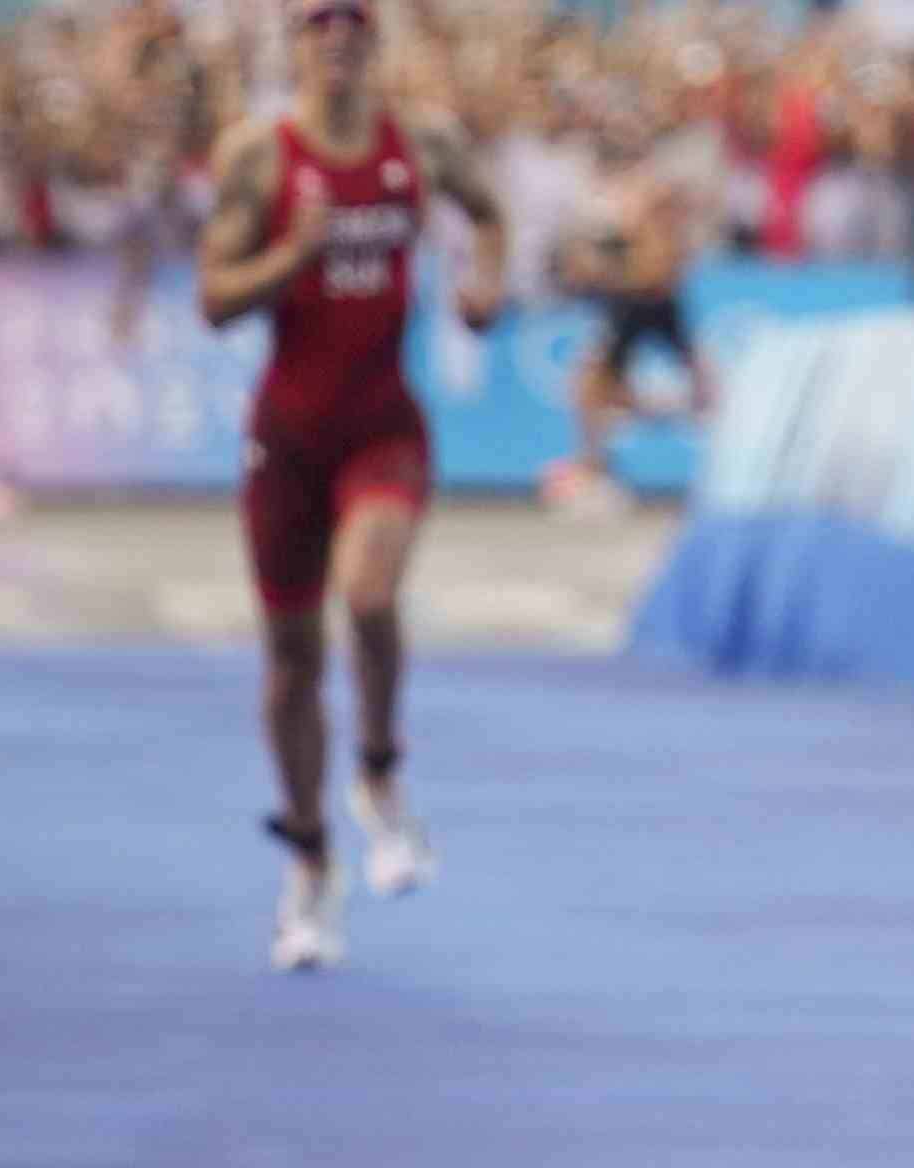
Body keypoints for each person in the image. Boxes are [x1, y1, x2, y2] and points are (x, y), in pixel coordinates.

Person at [195, 0, 504, 974]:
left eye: (354, 21)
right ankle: (311, 863)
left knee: (368, 592)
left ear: (375, 40)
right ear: (295, 42)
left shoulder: (421, 142)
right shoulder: (260, 156)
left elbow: (488, 215)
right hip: (286, 441)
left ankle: (376, 773)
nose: (338, 36)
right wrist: (294, 252)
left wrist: (485, 285)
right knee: (290, 659)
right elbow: (211, 298)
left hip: (382, 427)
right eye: (319, 20)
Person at [561, 150, 710, 496]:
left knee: (703, 386)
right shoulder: (621, 210)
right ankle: (595, 466)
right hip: (631, 303)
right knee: (590, 386)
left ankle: (603, 457)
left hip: (652, 302)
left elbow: (663, 264)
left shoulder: (658, 205)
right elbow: (593, 261)